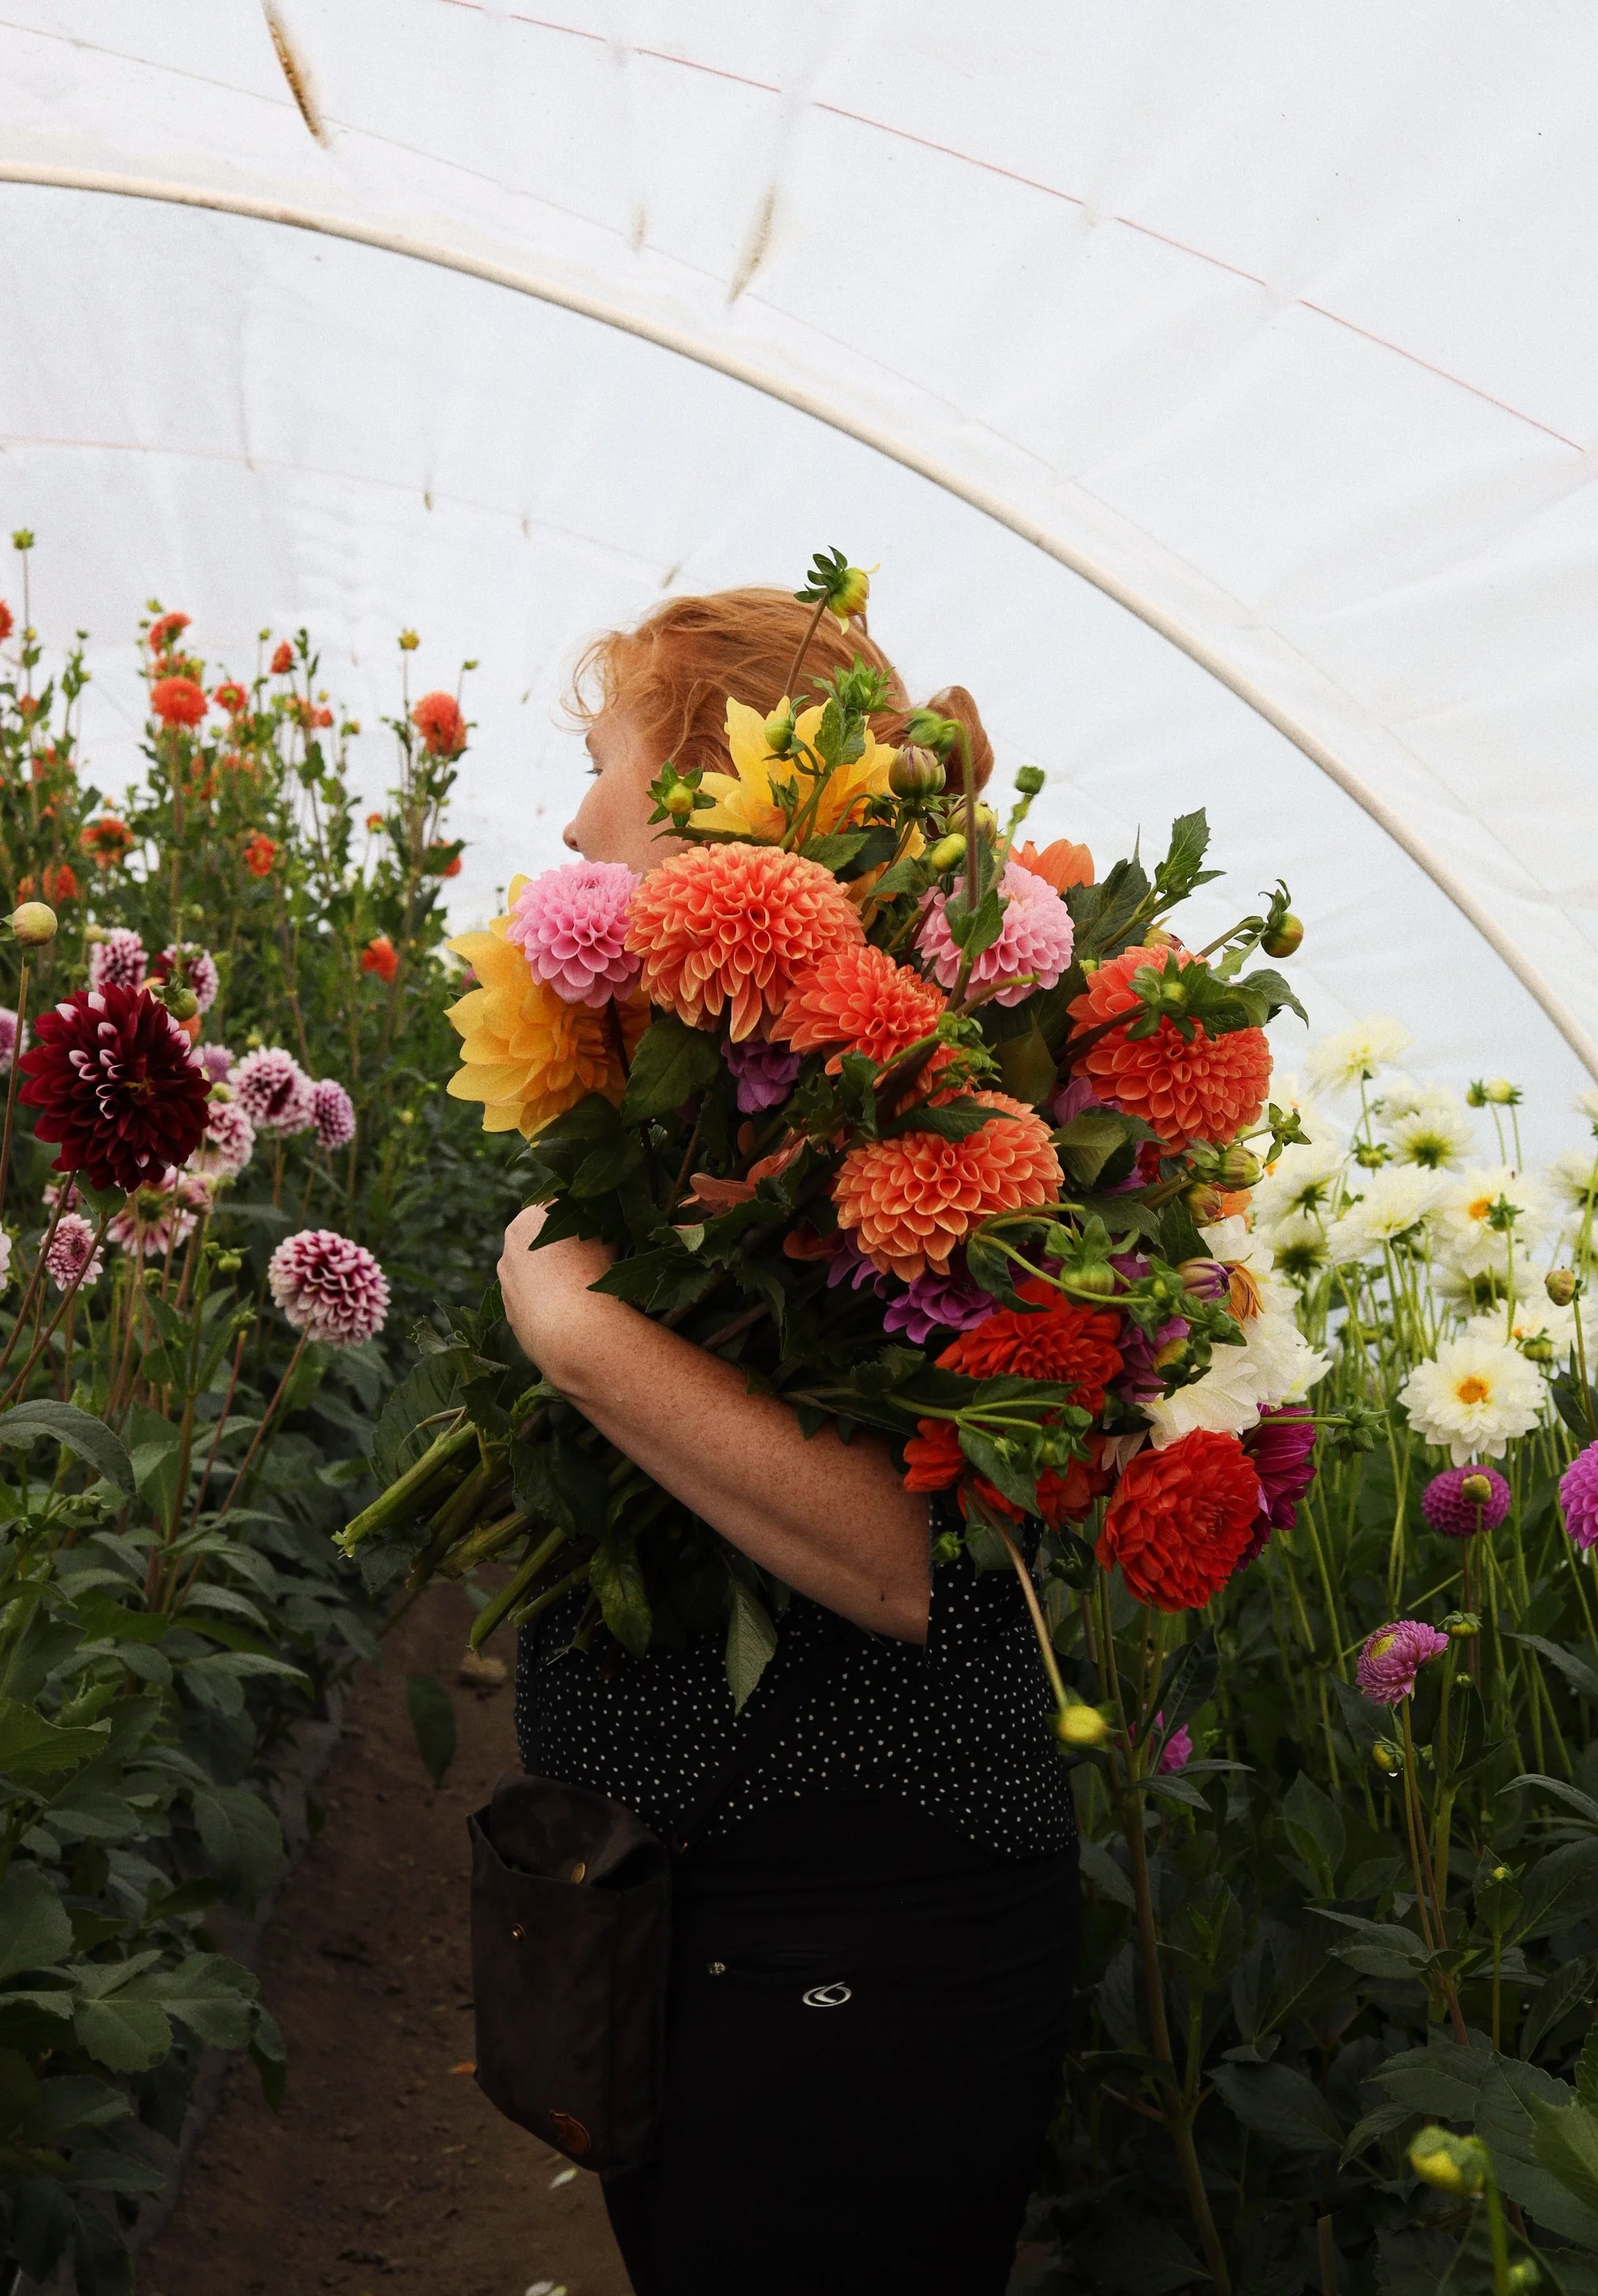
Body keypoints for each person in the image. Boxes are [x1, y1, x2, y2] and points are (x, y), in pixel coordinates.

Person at [495, 590, 1082, 2296]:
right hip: (714, 1919)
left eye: (598, 768)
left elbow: (904, 1563)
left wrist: (575, 1327)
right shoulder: (715, 1083)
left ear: (711, 812)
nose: (569, 820)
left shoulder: (912, 1090)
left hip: (853, 1936)